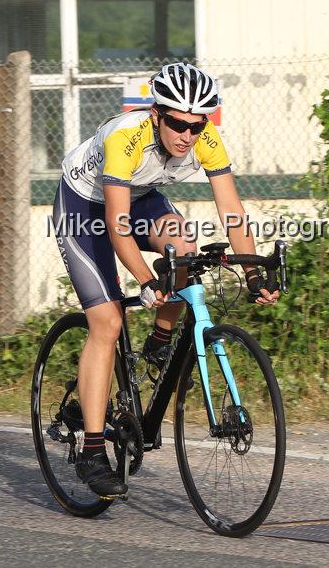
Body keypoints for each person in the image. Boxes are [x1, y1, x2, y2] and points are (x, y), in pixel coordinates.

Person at [51, 62, 280, 498]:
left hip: (141, 197)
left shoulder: (206, 141)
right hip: (86, 205)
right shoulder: (126, 138)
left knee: (186, 256)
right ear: (156, 113)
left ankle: (159, 343)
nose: (187, 136)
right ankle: (94, 451)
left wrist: (252, 270)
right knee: (108, 321)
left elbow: (232, 213)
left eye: (197, 125)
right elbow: (117, 225)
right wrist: (145, 280)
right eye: (177, 123)